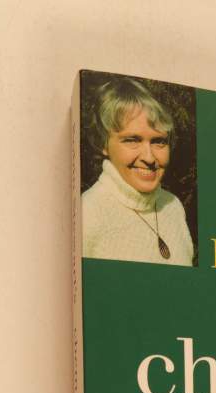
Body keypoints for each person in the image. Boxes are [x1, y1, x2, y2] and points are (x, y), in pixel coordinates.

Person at [82, 78, 194, 266]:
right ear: (104, 144)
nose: (149, 158)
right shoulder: (88, 215)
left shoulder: (173, 207)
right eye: (132, 140)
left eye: (159, 141)